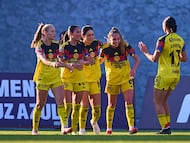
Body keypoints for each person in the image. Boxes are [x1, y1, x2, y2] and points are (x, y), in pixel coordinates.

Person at [138, 16, 187, 134]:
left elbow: (155, 59)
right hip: (176, 75)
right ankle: (167, 126)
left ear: (165, 26)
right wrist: (174, 57)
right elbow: (184, 58)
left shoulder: (162, 40)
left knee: (157, 102)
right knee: (164, 101)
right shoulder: (180, 40)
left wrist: (145, 52)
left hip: (164, 74)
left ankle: (165, 128)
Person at [30, 23, 73, 135]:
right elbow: (43, 60)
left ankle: (64, 127)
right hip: (43, 77)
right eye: (52, 31)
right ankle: (35, 129)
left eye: (54, 31)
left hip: (55, 77)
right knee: (40, 104)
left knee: (60, 102)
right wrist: (52, 64)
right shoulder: (39, 46)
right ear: (45, 33)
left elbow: (60, 59)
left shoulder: (56, 45)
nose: (54, 33)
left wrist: (67, 65)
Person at [100, 27, 140, 135]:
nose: (116, 41)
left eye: (118, 39)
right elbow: (98, 61)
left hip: (126, 78)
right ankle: (109, 128)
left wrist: (134, 70)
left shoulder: (125, 46)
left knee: (129, 102)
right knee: (111, 104)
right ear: (109, 39)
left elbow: (137, 59)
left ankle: (131, 127)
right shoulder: (105, 49)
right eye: (114, 39)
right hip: (112, 79)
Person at [59, 25, 91, 135]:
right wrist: (71, 64)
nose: (80, 34)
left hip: (80, 77)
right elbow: (60, 61)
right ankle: (64, 127)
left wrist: (84, 62)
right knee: (67, 105)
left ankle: (73, 129)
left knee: (77, 105)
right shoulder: (64, 47)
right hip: (66, 77)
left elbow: (90, 60)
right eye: (77, 32)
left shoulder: (82, 46)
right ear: (71, 34)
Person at [78, 25, 102, 135]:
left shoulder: (97, 43)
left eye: (92, 34)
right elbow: (77, 61)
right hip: (83, 78)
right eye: (88, 35)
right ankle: (82, 129)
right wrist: (86, 62)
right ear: (83, 36)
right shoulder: (79, 46)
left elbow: (108, 48)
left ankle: (94, 121)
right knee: (84, 106)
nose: (91, 37)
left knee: (97, 109)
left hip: (95, 78)